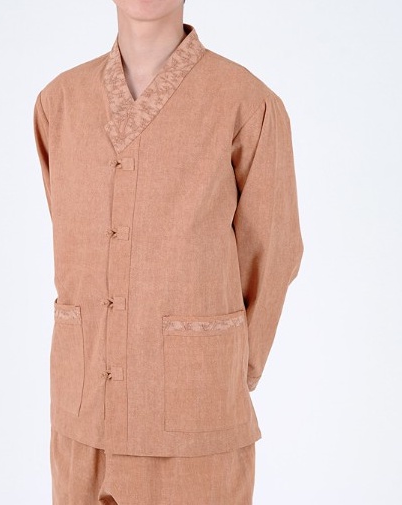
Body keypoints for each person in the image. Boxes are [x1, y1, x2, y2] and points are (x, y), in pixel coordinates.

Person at [33, 1, 304, 503]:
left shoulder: (245, 102)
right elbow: (71, 236)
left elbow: (274, 249)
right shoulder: (59, 102)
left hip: (194, 414)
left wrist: (228, 364)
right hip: (81, 412)